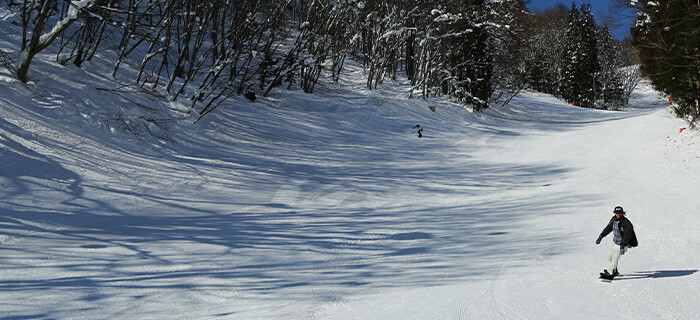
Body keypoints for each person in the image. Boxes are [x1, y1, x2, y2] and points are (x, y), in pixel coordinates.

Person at [596, 206, 638, 280]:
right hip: (615, 242)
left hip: (624, 243)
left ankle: (610, 273)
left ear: (622, 213)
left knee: (615, 258)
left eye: (619, 213)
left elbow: (627, 236)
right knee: (609, 257)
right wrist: (601, 236)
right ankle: (614, 270)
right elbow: (608, 228)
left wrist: (622, 246)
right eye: (616, 213)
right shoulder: (614, 219)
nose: (618, 214)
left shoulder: (626, 223)